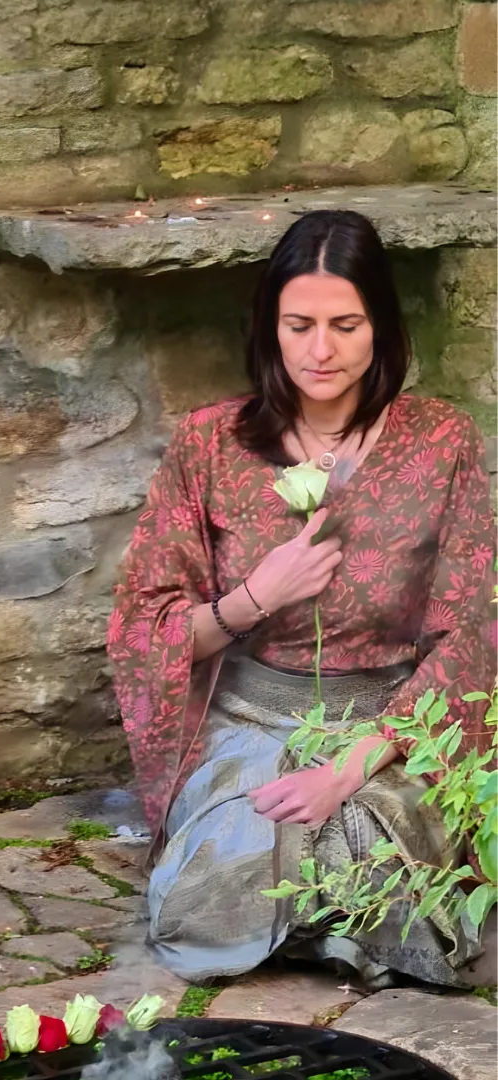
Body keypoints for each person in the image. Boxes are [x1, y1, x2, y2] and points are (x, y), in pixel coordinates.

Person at [107, 210, 495, 990]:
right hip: (249, 723)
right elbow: (140, 631)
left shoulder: (441, 441)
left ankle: (332, 914)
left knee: (362, 835)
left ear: (381, 327)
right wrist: (254, 597)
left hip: (390, 728)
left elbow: (473, 635)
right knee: (231, 865)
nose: (321, 350)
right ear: (269, 329)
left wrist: (347, 769)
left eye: (346, 325)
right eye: (300, 324)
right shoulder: (211, 444)